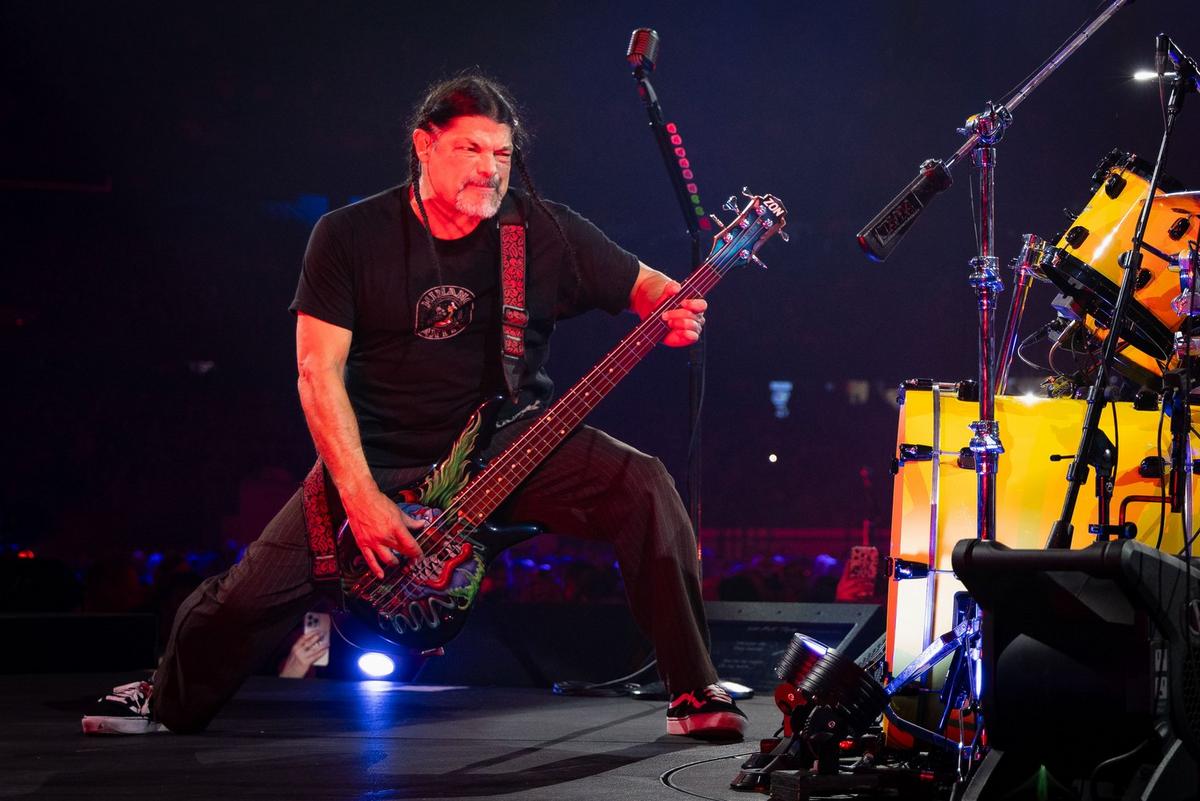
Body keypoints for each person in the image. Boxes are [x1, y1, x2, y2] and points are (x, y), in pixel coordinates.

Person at [82, 73, 745, 739]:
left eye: (502, 153)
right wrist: (361, 497)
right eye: (470, 149)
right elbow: (317, 373)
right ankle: (165, 697)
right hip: (378, 457)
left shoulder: (542, 230)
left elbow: (645, 286)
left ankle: (693, 686)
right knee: (238, 604)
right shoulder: (349, 235)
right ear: (424, 146)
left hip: (508, 449)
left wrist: (672, 308)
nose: (489, 169)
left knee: (643, 483)